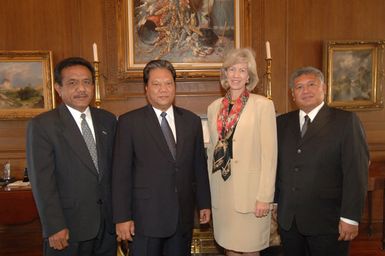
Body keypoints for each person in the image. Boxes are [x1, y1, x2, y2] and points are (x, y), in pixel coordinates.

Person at [112, 59, 211, 256]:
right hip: (145, 218)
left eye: (168, 83)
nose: (163, 89)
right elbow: (120, 174)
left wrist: (204, 203)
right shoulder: (129, 122)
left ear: (175, 86)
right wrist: (122, 217)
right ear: (146, 88)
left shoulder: (191, 121)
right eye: (156, 84)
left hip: (182, 217)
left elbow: (199, 165)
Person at [26, 57, 117, 256]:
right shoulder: (43, 125)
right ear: (58, 88)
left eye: (86, 82)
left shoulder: (108, 120)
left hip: (107, 228)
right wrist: (54, 226)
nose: (81, 89)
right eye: (72, 83)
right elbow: (42, 182)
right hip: (68, 229)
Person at [276, 66, 369, 256]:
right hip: (289, 221)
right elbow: (277, 167)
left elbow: (356, 172)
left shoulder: (345, 121)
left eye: (312, 84)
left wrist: (350, 218)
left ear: (324, 88)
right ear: (292, 94)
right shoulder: (281, 123)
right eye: (299, 87)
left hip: (328, 221)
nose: (306, 91)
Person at [206, 48, 278, 255]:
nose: (236, 75)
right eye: (232, 69)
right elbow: (212, 151)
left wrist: (265, 196)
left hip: (251, 194)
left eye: (242, 70)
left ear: (249, 77)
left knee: (250, 249)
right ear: (225, 73)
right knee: (230, 248)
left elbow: (269, 155)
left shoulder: (263, 105)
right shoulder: (214, 108)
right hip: (223, 193)